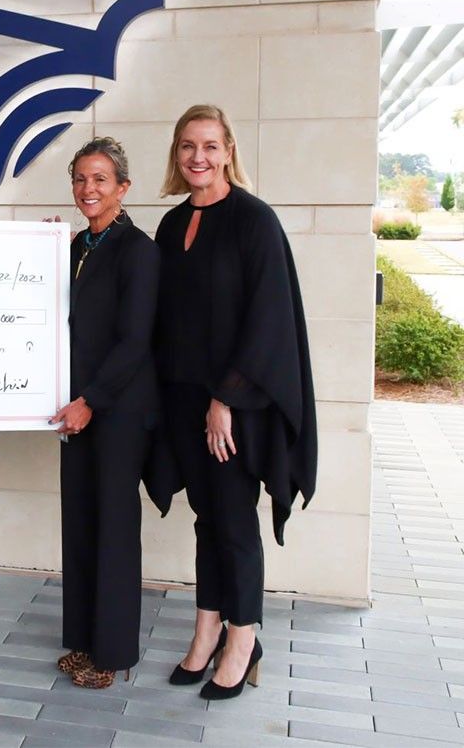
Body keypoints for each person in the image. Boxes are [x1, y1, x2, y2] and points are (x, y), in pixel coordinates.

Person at [154, 104, 316, 700]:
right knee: (207, 521)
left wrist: (225, 399)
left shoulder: (254, 221)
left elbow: (267, 321)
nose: (198, 156)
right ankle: (206, 631)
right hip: (181, 401)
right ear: (177, 154)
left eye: (210, 145)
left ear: (228, 152)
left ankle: (244, 638)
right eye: (187, 146)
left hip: (232, 405)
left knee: (235, 524)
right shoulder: (173, 226)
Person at [48, 137, 160, 689]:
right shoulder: (75, 247)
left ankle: (112, 653)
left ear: (123, 187)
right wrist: (40, 247)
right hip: (78, 407)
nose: (87, 189)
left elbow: (135, 340)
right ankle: (86, 640)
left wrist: (93, 400)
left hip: (115, 411)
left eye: (99, 180)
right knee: (81, 522)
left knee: (113, 528)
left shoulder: (137, 249)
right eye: (79, 179)